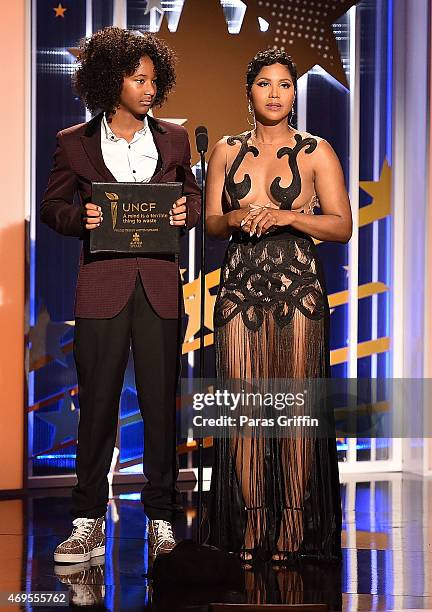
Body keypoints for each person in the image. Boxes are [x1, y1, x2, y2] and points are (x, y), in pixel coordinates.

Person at [41, 27, 200, 563]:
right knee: (98, 410)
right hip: (101, 291)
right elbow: (52, 208)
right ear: (112, 82)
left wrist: (188, 213)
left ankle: (161, 519)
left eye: (154, 79)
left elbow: (194, 198)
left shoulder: (175, 141)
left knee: (159, 409)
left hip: (159, 291)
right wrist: (78, 218)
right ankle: (87, 521)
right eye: (138, 79)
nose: (149, 88)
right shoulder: (74, 143)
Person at [205, 49, 351, 563]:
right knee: (244, 413)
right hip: (240, 288)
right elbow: (211, 223)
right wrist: (243, 214)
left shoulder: (316, 151)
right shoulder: (225, 150)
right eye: (264, 83)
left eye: (284, 84)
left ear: (295, 92)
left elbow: (341, 225)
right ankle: (251, 525)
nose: (274, 93)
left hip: (298, 290)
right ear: (249, 91)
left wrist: (287, 217)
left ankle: (291, 526)